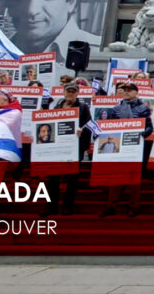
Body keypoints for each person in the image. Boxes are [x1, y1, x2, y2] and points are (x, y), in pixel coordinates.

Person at [99, 82, 153, 218]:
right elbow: (110, 125)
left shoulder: (143, 108)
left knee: (134, 177)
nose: (127, 92)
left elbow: (149, 127)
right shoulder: (116, 109)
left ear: (136, 92)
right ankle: (111, 205)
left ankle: (133, 206)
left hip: (135, 146)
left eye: (130, 90)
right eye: (125, 90)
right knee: (115, 177)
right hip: (119, 146)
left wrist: (140, 135)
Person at [42, 82, 92, 217]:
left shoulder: (83, 107)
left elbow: (89, 125)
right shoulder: (57, 106)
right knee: (53, 179)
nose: (70, 93)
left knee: (72, 179)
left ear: (77, 93)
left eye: (73, 91)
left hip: (74, 148)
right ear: (63, 92)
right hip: (57, 148)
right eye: (68, 91)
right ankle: (51, 206)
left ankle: (67, 206)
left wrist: (82, 132)